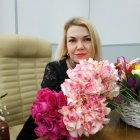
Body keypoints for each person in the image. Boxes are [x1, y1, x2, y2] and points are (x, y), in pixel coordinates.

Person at [16, 16, 102, 140]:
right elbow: (49, 114)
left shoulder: (100, 70)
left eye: (87, 39)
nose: (80, 46)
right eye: (72, 40)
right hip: (45, 133)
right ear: (66, 46)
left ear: (94, 44)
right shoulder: (53, 68)